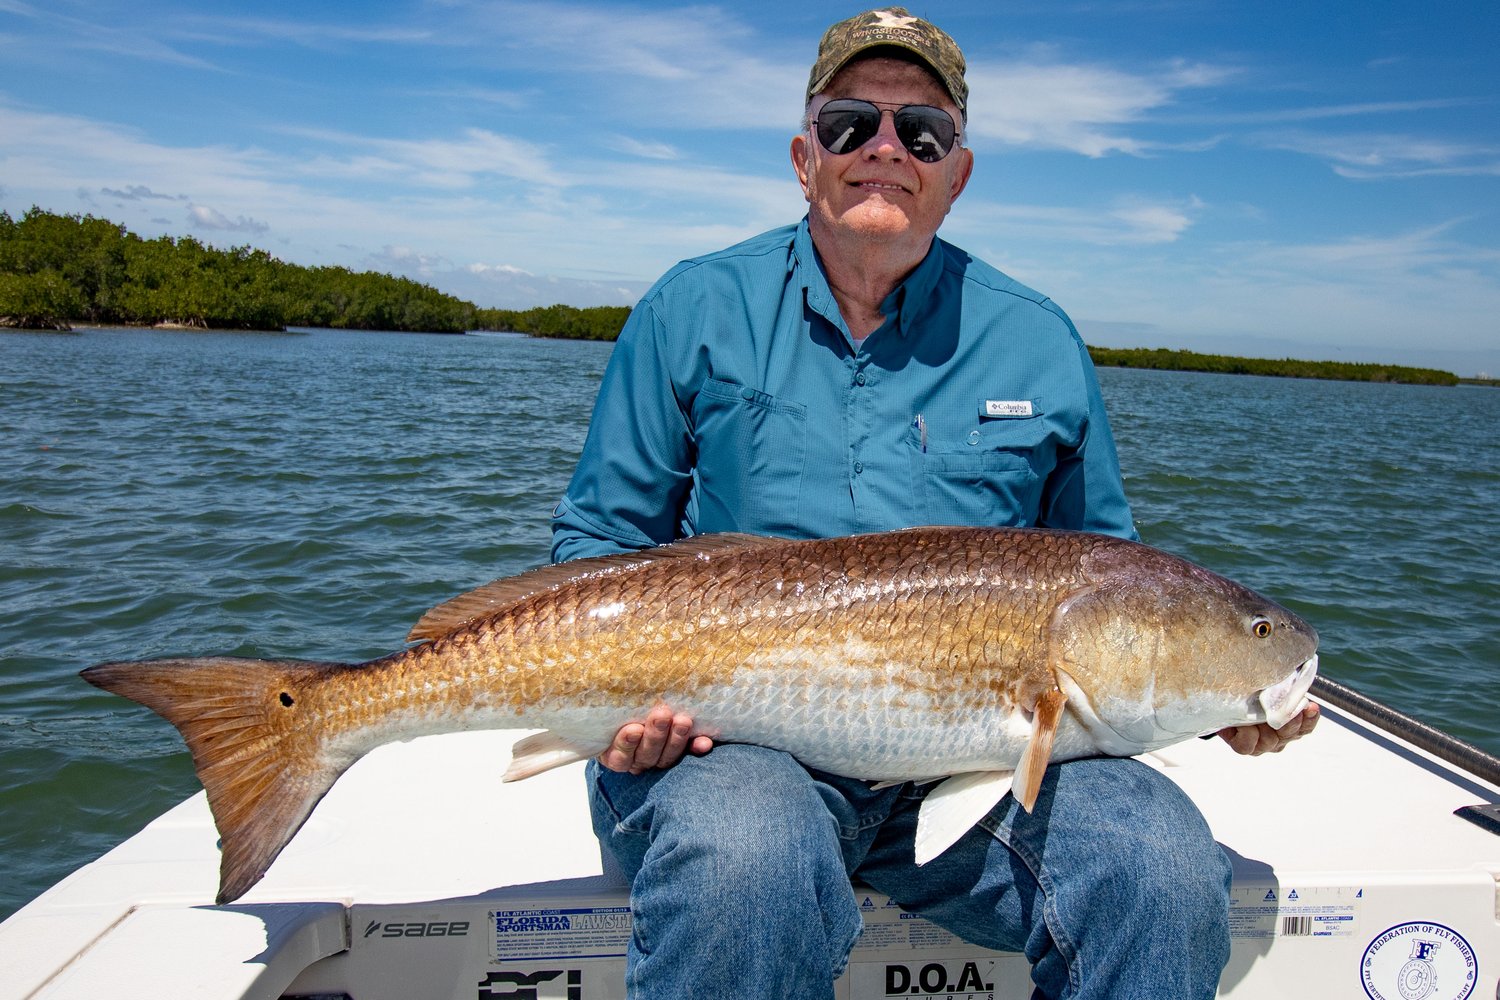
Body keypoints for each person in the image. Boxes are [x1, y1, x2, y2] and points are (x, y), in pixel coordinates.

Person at [551, 8, 1319, 998]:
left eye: (921, 133)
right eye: (848, 125)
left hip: (990, 771)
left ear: (956, 172)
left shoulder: (1040, 342)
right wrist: (620, 702)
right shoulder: (691, 307)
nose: (883, 151)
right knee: (745, 855)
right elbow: (599, 543)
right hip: (734, 746)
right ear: (803, 156)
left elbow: (1115, 594)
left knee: (1158, 866)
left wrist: (1219, 697)